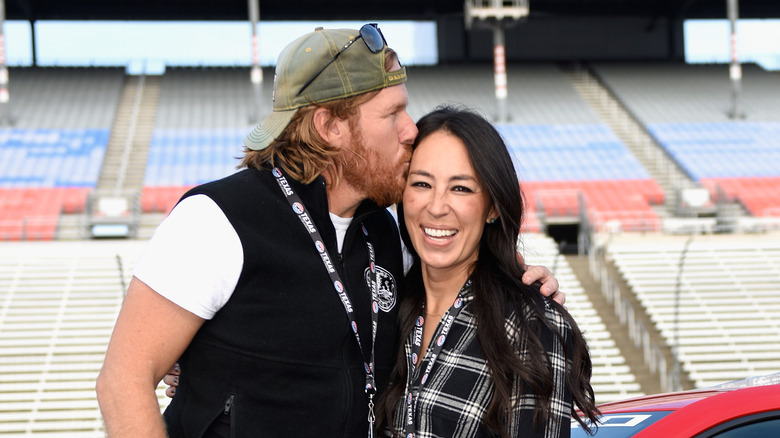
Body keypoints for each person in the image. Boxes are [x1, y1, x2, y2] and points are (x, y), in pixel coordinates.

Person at [96, 25, 562, 438]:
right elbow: (123, 380)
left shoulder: (384, 230)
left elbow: (454, 280)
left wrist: (519, 283)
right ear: (330, 127)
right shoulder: (216, 219)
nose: (410, 131)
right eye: (393, 113)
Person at [376, 106, 599, 438]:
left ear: (493, 207)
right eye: (421, 183)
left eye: (461, 188)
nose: (436, 207)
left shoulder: (532, 327)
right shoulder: (384, 309)